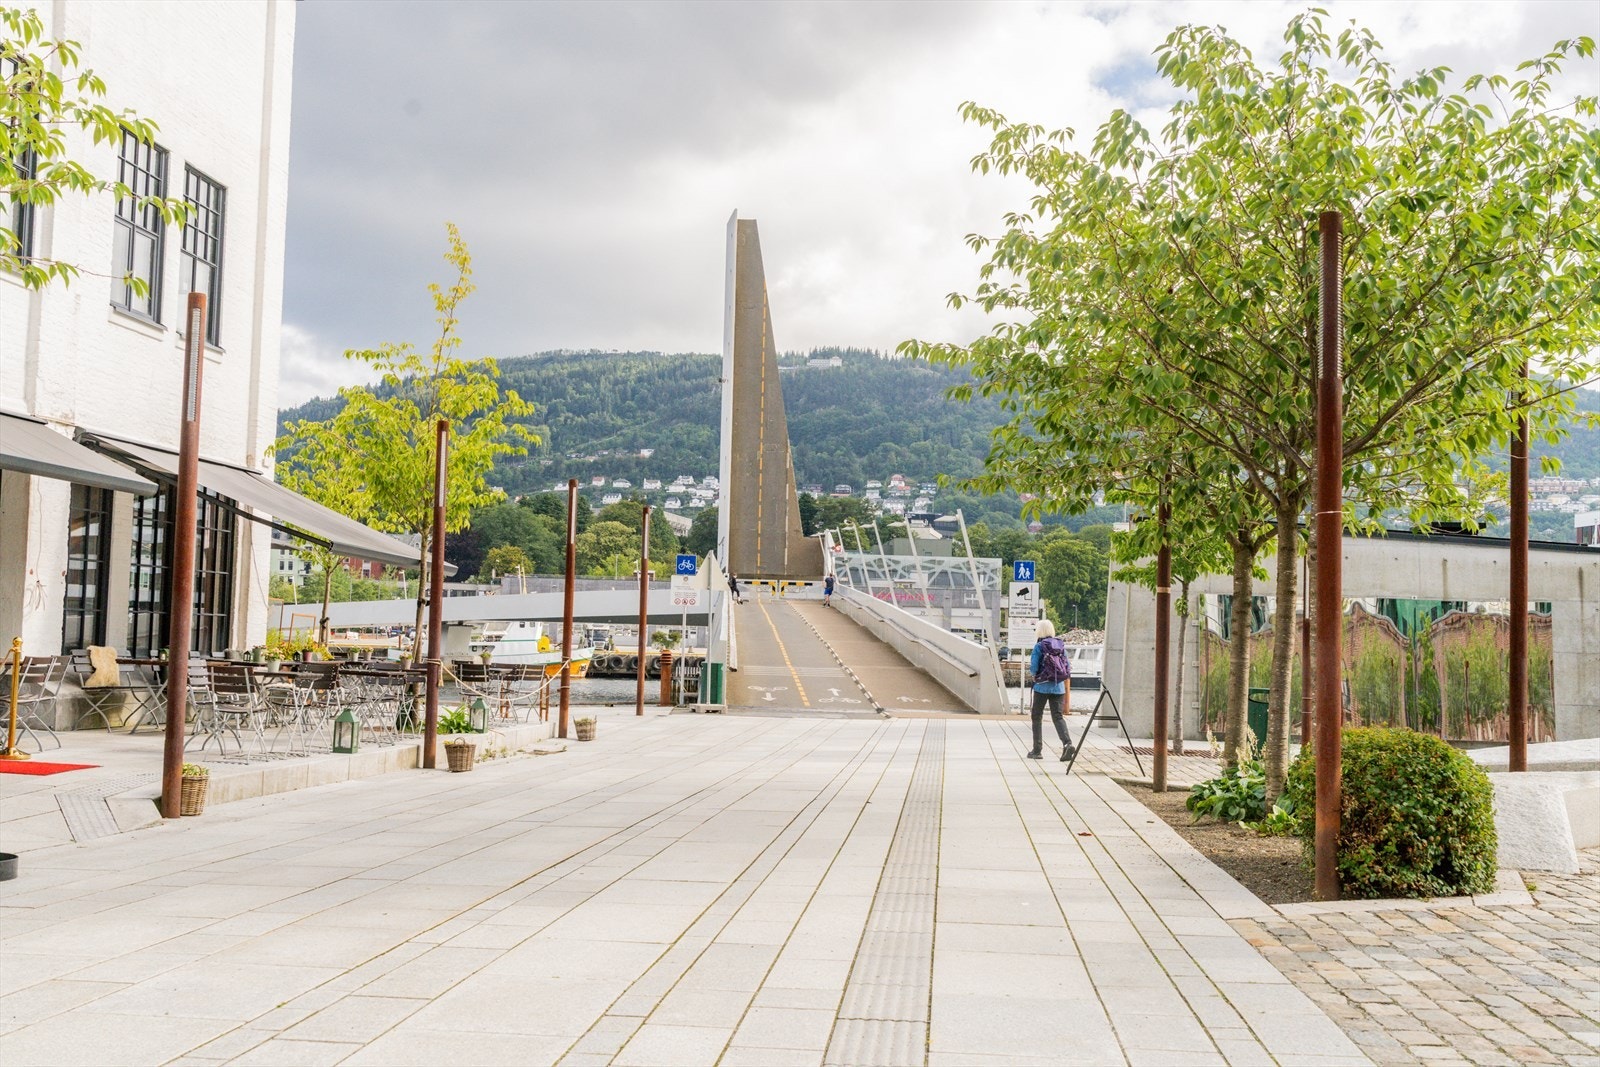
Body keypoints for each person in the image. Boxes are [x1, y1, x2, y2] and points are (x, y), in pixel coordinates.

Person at [1028, 619, 1073, 761]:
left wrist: (1034, 675)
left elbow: (1034, 667)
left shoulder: (1039, 646)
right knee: (1058, 716)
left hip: (1041, 686)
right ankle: (1067, 744)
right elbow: (1067, 666)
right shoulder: (1060, 646)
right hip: (1058, 687)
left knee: (1037, 716)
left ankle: (1037, 750)